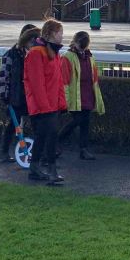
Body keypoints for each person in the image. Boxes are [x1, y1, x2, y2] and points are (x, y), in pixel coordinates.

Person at [23, 18, 68, 185]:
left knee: (42, 136)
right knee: (50, 136)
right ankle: (51, 170)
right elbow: (36, 84)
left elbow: (58, 81)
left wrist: (61, 102)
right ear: (52, 34)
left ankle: (35, 168)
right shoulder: (37, 53)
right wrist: (45, 107)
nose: (62, 36)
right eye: (60, 33)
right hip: (43, 106)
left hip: (50, 105)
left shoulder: (53, 53)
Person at [58, 31, 105, 160]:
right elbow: (64, 80)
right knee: (78, 120)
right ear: (75, 42)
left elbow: (94, 79)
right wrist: (65, 100)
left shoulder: (90, 57)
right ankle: (57, 142)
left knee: (85, 123)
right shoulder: (68, 57)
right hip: (75, 97)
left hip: (87, 95)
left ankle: (83, 150)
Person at [0, 23, 39, 162]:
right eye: (32, 40)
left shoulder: (35, 54)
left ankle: (41, 151)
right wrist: (4, 95)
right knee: (12, 125)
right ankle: (3, 151)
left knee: (37, 123)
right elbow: (4, 76)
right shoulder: (11, 54)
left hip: (31, 96)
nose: (34, 43)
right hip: (16, 96)